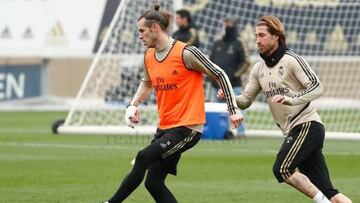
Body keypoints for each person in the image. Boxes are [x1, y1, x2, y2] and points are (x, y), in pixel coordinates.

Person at [103, 4, 243, 203]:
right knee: (153, 183)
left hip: (188, 128)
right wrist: (133, 105)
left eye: (141, 31)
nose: (139, 36)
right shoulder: (149, 56)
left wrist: (233, 109)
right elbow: (147, 83)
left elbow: (219, 73)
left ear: (155, 29)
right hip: (166, 127)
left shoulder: (186, 53)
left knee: (143, 157)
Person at [218, 15, 352, 203]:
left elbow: (317, 86)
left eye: (262, 35)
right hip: (293, 130)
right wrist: (230, 96)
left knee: (282, 169)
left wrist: (291, 100)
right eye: (256, 35)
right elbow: (246, 100)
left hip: (307, 125)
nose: (257, 40)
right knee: (330, 192)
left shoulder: (292, 60)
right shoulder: (258, 69)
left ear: (277, 36)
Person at [209, 17, 250, 137]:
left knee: (237, 108)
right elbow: (209, 62)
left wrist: (233, 76)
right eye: (225, 23)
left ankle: (241, 133)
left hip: (234, 84)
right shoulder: (217, 43)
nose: (226, 26)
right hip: (216, 84)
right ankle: (222, 133)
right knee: (217, 111)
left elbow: (246, 62)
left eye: (229, 23)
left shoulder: (239, 43)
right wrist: (211, 78)